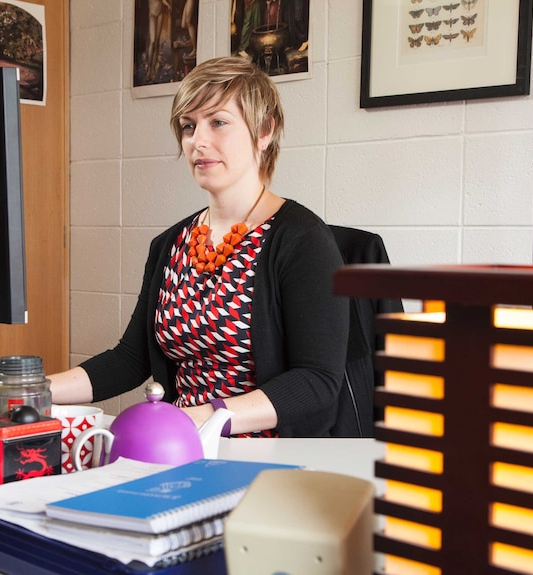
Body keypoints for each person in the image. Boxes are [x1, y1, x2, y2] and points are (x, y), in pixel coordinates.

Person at [49, 56, 348, 437]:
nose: (197, 141)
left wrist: (198, 418)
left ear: (264, 131)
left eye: (218, 122)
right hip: (182, 443)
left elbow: (316, 381)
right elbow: (130, 359)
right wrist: (27, 389)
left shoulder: (302, 240)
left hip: (263, 453)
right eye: (188, 126)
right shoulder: (171, 244)